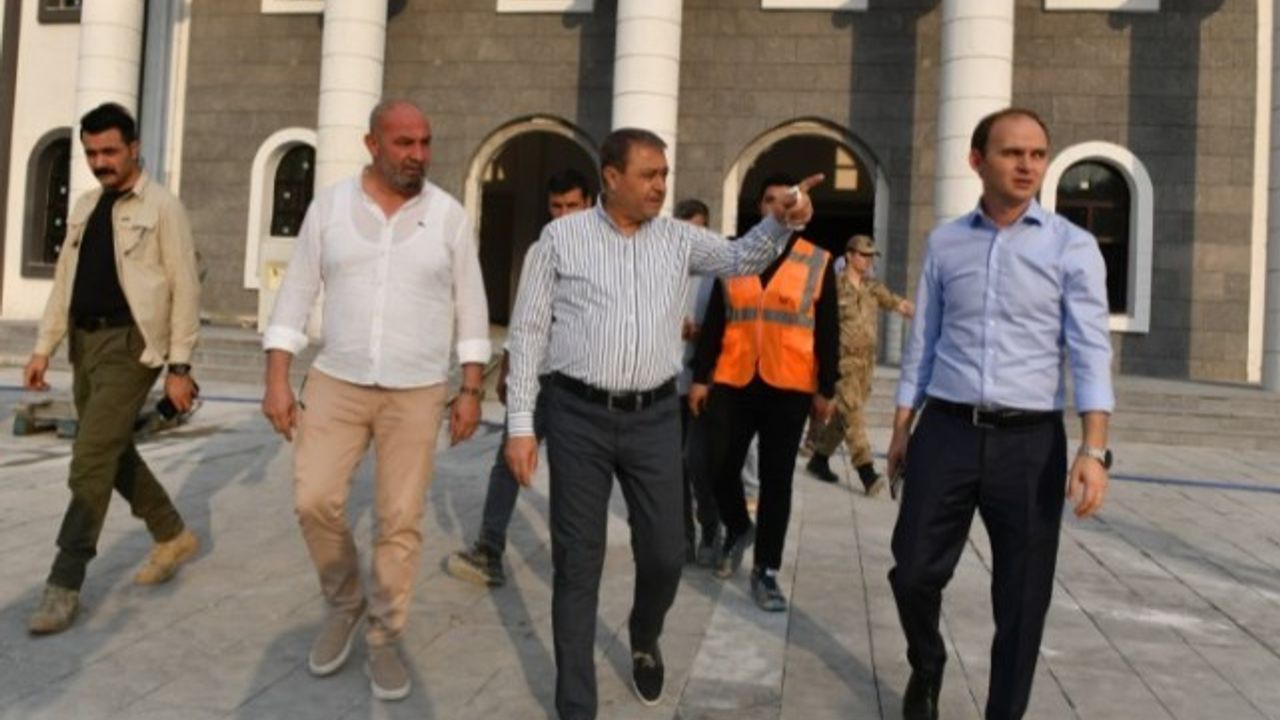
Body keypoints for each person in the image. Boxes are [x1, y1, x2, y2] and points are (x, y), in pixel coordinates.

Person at [504, 128, 820, 719]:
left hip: (652, 418)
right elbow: (527, 335)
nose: (660, 186)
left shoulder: (678, 239)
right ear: (611, 176)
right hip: (577, 417)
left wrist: (780, 222)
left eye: (664, 175)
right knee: (578, 562)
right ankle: (576, 705)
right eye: (648, 175)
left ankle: (644, 634)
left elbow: (740, 258)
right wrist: (521, 424)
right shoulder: (560, 240)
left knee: (666, 554)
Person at [887, 108, 1113, 720]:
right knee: (912, 571)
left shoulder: (1072, 247)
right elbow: (923, 341)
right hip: (947, 431)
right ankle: (927, 663)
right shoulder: (946, 242)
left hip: (1030, 444)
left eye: (1037, 154)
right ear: (977, 160)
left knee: (1022, 599)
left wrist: (1093, 450)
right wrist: (903, 425)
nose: (1027, 165)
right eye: (1012, 153)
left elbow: (1091, 350)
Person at [260, 99, 490, 702]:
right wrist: (277, 376)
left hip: (417, 391)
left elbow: (472, 305)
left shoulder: (448, 216)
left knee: (399, 519)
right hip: (336, 381)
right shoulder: (330, 208)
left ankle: (385, 637)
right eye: (404, 143)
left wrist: (470, 389)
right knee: (313, 500)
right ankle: (345, 603)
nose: (418, 154)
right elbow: (295, 292)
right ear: (372, 144)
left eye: (425, 142)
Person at [23, 102, 202, 635]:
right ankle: (171, 533)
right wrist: (44, 347)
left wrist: (180, 367)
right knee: (111, 449)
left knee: (90, 459)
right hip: (84, 344)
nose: (100, 162)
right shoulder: (85, 206)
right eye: (91, 153)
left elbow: (186, 287)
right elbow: (64, 281)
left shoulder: (163, 208)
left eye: (109, 151)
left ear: (133, 148)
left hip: (131, 346)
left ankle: (64, 582)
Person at [688, 174, 839, 612]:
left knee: (777, 480)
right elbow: (716, 321)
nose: (779, 205)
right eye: (771, 199)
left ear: (800, 207)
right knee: (718, 464)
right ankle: (739, 526)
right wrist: (701, 376)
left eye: (787, 199)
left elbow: (828, 328)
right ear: (761, 208)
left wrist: (826, 387)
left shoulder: (817, 260)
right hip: (734, 379)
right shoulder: (736, 256)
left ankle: (766, 569)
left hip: (789, 384)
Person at [445, 169, 595, 587]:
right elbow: (525, 314)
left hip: (578, 384)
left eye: (572, 206)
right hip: (536, 378)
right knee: (508, 460)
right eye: (556, 207)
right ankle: (489, 549)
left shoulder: (604, 253)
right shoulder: (539, 251)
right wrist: (510, 365)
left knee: (572, 472)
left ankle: (573, 562)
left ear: (588, 203)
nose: (563, 215)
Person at [805, 234, 914, 493]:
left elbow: (898, 304)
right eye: (863, 255)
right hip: (843, 362)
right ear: (849, 256)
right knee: (853, 414)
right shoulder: (834, 286)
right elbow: (817, 322)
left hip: (866, 364)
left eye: (871, 257)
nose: (868, 261)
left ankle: (819, 459)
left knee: (844, 415)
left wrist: (924, 313)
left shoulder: (872, 287)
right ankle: (867, 472)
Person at [672, 198, 720, 566]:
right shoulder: (665, 269)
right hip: (670, 382)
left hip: (705, 382)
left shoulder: (716, 274)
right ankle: (682, 536)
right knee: (675, 466)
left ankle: (710, 528)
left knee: (699, 461)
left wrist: (702, 333)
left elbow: (725, 326)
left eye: (698, 229)